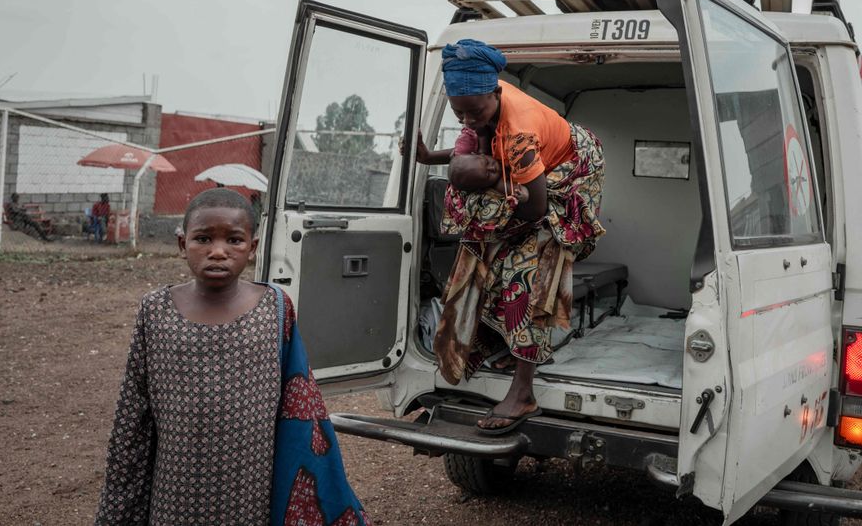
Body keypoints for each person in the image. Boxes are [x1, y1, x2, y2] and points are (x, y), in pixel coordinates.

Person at [94, 188, 370, 526]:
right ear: (182, 244)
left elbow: (299, 400)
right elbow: (133, 414)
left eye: (234, 241)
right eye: (203, 239)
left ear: (252, 248)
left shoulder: (276, 307)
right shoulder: (155, 311)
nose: (218, 252)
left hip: (252, 494)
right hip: (174, 494)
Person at [416, 39, 605, 434]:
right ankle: (508, 344)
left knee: (531, 269)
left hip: (574, 167)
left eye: (474, 111)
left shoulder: (518, 138)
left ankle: (523, 393)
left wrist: (503, 193)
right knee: (490, 253)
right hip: (527, 175)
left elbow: (535, 209)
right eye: (458, 112)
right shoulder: (478, 113)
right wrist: (428, 157)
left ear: (496, 93)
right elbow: (464, 159)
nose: (467, 121)